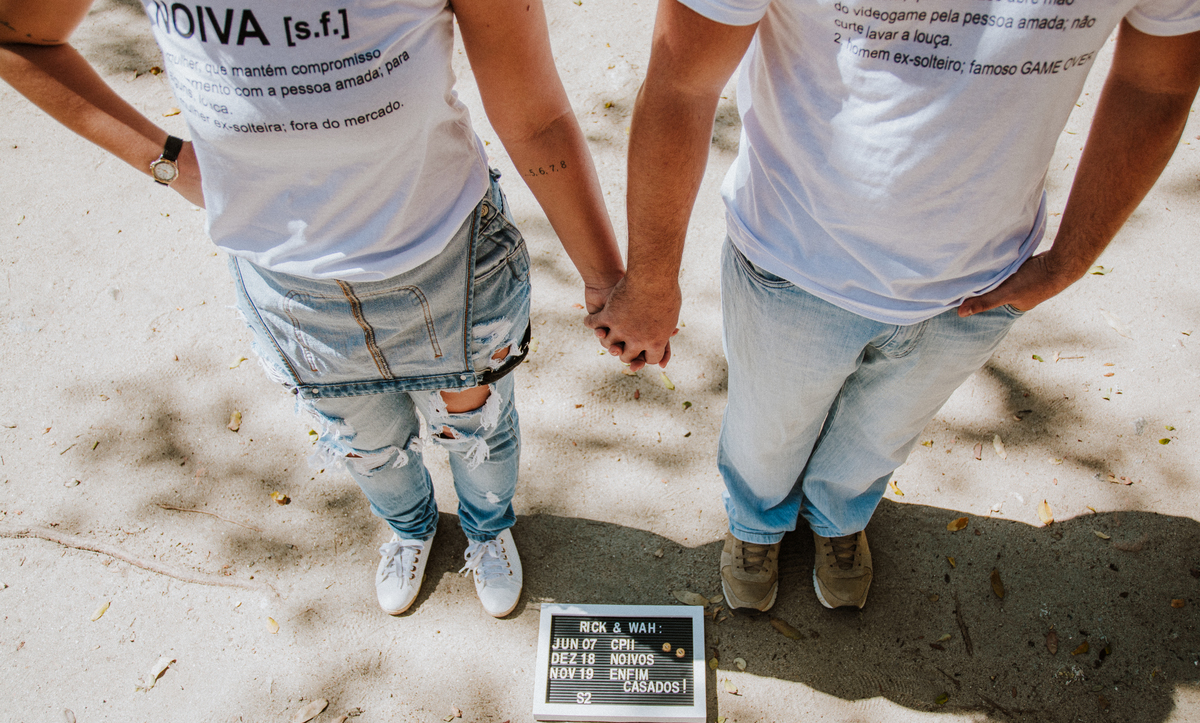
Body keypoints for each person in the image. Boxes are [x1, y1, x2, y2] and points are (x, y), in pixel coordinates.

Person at [0, 0, 625, 618]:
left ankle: (487, 530)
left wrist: (608, 278)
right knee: (365, 444)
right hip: (290, 288)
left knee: (476, 429)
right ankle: (411, 528)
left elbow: (536, 117)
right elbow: (20, 35)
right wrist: (167, 159)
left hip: (446, 266)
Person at [587, 0, 1200, 611]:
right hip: (794, 261)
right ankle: (755, 522)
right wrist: (649, 282)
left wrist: (1070, 258)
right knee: (765, 432)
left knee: (880, 434)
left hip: (977, 283)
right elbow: (681, 80)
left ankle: (838, 515)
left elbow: (1160, 79)